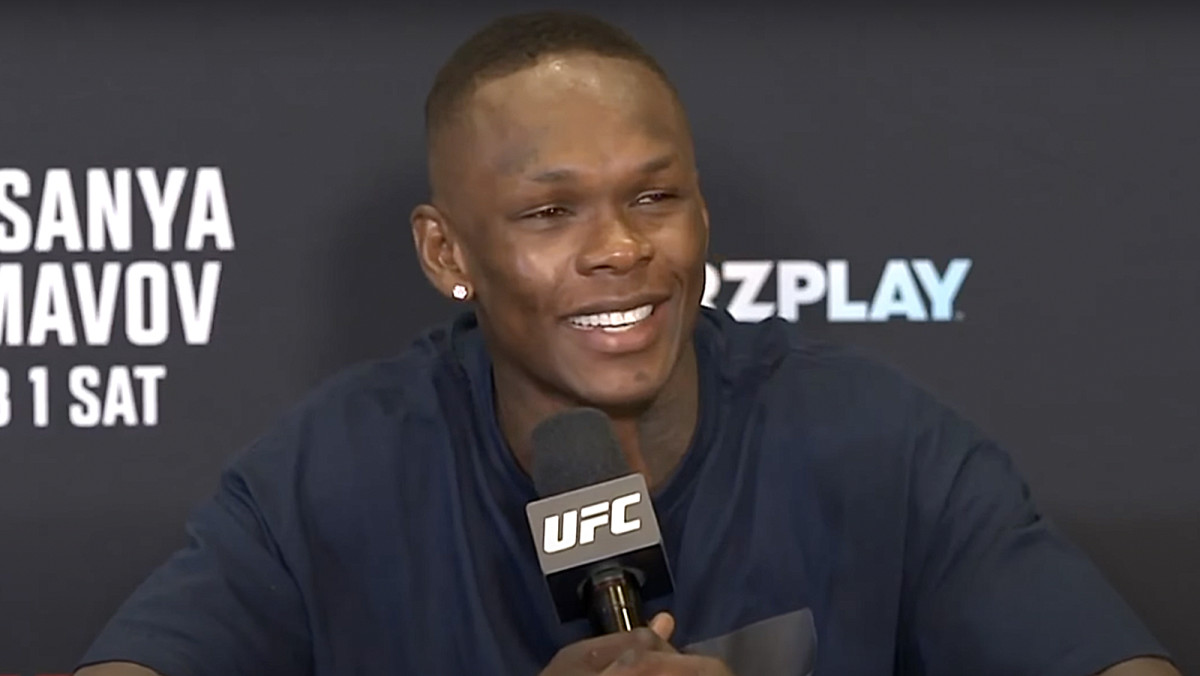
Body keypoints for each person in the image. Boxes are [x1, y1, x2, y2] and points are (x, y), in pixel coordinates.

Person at [75, 10, 1179, 676]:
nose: (620, 249)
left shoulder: (878, 444)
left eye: (654, 197)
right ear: (447, 251)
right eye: (550, 212)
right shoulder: (324, 475)